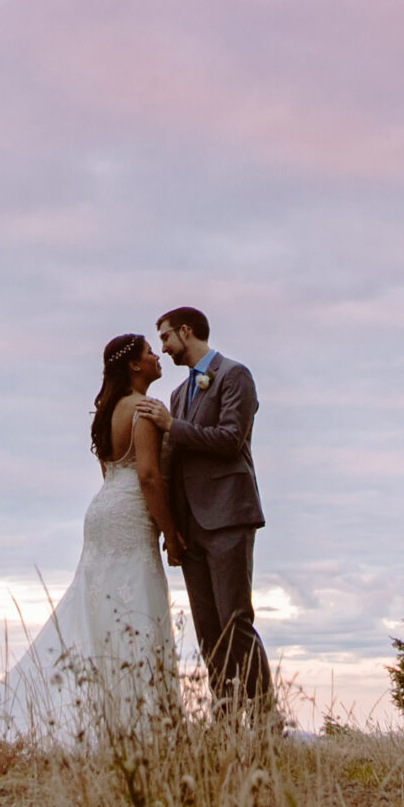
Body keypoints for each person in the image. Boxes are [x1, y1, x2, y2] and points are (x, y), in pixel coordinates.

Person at [0, 334, 184, 744]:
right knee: (137, 607)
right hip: (129, 514)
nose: (156, 356)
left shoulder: (108, 412)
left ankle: (113, 713)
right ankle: (136, 725)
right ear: (133, 366)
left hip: (103, 510)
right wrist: (172, 533)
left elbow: (112, 473)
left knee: (98, 608)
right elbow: (147, 477)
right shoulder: (142, 411)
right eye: (148, 352)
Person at [135, 306, 272, 715]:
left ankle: (265, 716)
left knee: (235, 621)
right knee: (208, 631)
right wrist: (171, 529)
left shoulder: (235, 375)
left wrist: (170, 426)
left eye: (164, 338)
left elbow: (231, 439)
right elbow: (173, 465)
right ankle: (226, 716)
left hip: (229, 514)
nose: (162, 347)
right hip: (193, 526)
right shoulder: (178, 395)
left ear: (186, 330)